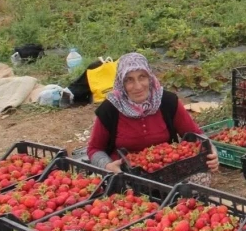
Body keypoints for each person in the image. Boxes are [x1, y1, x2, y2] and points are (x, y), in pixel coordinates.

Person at [87, 53, 219, 181]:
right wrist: (108, 165)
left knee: (199, 178)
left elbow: (195, 134)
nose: (138, 86)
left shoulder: (167, 101)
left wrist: (210, 149)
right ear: (121, 83)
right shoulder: (110, 109)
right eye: (129, 80)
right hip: (128, 174)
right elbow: (94, 149)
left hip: (168, 168)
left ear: (150, 78)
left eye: (142, 77)